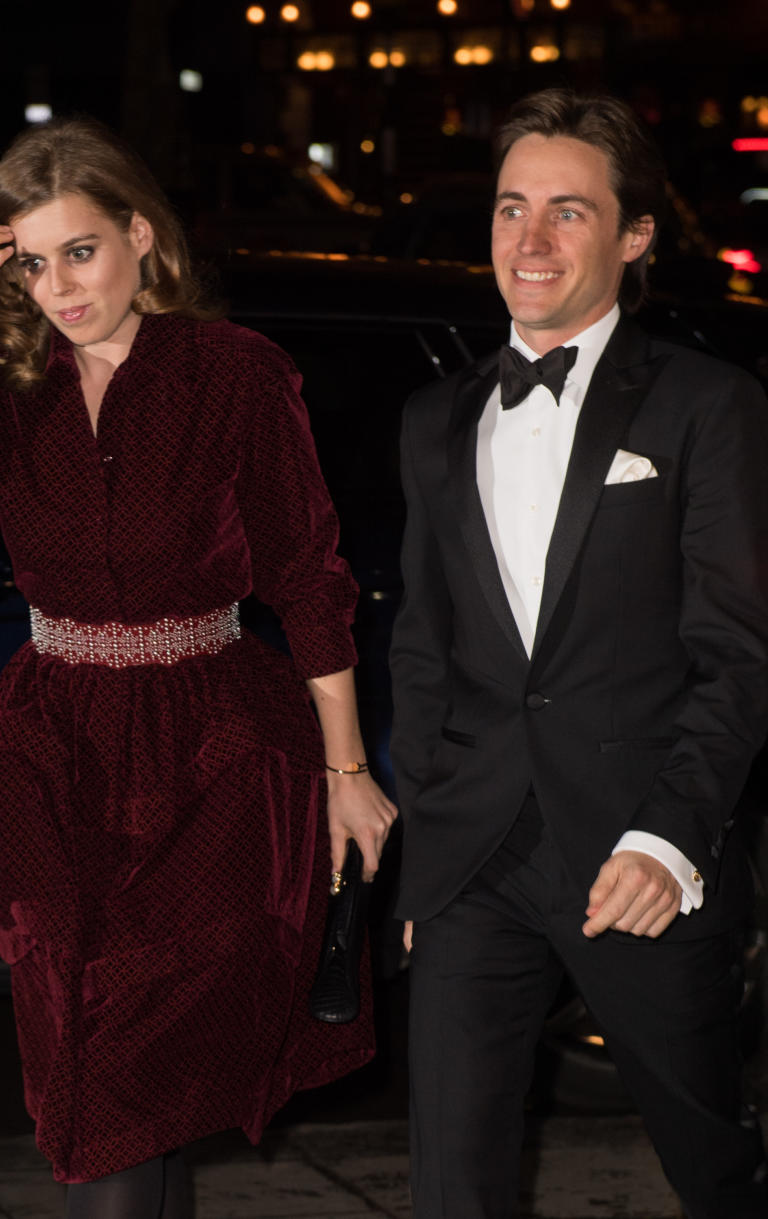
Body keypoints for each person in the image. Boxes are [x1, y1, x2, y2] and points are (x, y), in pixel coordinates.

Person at [0, 117, 396, 1217]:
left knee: (144, 1085)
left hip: (212, 755)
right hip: (52, 752)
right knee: (87, 1078)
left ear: (141, 236)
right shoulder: (3, 384)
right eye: (31, 262)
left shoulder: (235, 374)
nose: (60, 284)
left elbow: (307, 576)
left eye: (79, 249)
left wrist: (346, 772)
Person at [390, 87, 768, 1218]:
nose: (531, 242)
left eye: (568, 211)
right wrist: (426, 840)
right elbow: (423, 641)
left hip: (639, 851)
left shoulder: (711, 406)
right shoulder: (434, 419)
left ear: (635, 233)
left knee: (713, 1165)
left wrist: (669, 836)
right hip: (474, 857)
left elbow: (741, 651)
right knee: (453, 1181)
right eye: (511, 210)